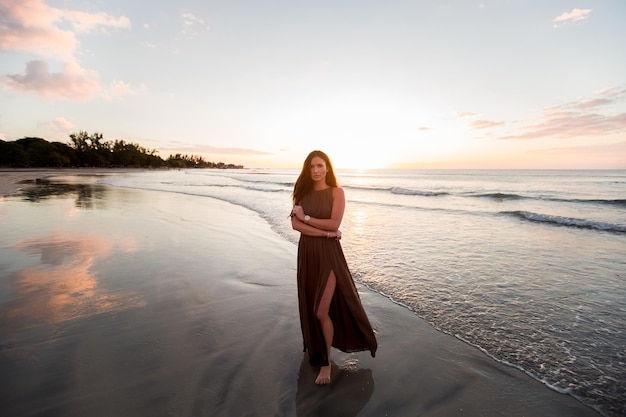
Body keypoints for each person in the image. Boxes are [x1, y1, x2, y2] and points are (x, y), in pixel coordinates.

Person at [291, 150, 377, 385]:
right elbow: (295, 225)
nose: (316, 170)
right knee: (312, 307)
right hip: (308, 254)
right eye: (311, 166)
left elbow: (334, 222)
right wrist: (327, 233)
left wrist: (308, 219)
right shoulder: (302, 191)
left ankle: (326, 364)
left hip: (329, 256)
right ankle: (320, 353)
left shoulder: (337, 193)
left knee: (321, 310)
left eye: (320, 165)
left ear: (328, 168)